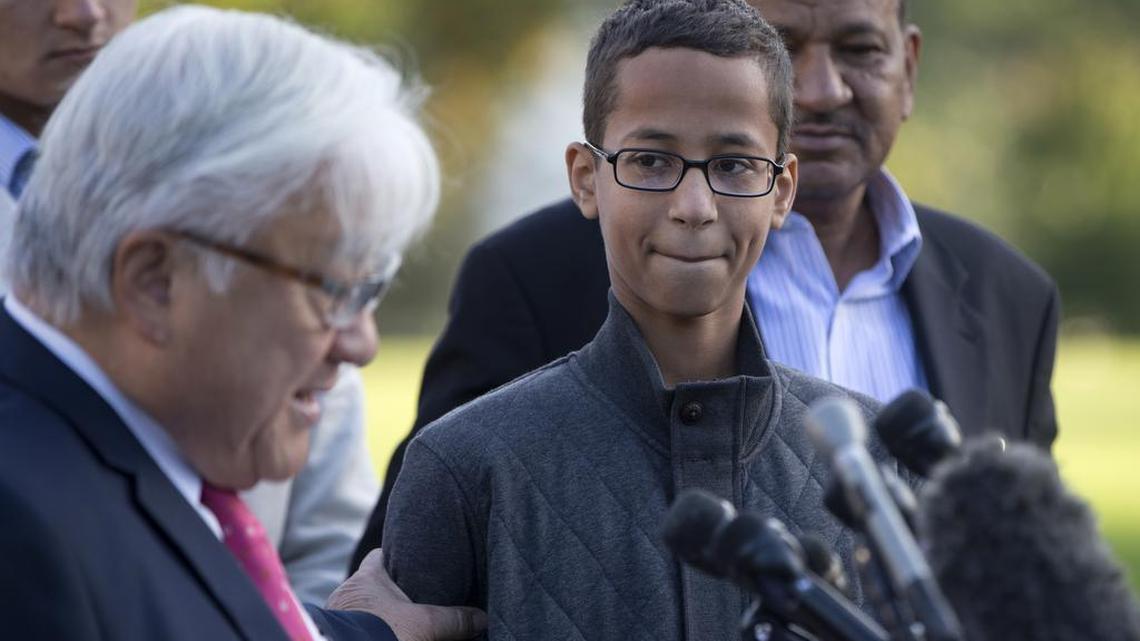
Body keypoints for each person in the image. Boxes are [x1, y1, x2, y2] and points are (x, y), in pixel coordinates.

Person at [354, 0, 1060, 564]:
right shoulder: (531, 276)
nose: (821, 90)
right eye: (783, 45)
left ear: (906, 63)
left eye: (858, 48)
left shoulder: (1011, 298)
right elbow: (426, 557)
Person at [382, 2, 890, 638]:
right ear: (587, 177)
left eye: (734, 165)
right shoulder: (465, 467)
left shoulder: (873, 467)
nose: (694, 206)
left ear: (782, 190)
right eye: (651, 161)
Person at [0, 6, 483, 640]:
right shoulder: (24, 532)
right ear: (155, 281)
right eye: (333, 289)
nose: (361, 345)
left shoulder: (123, 462)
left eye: (372, 290)